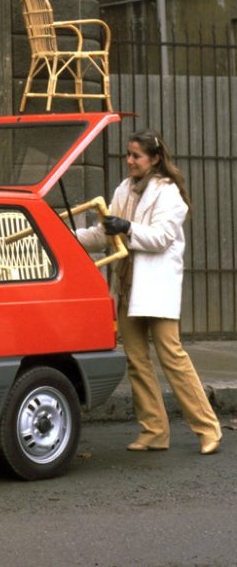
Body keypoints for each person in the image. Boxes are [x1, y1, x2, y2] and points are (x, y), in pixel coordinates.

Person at [77, 129, 221, 455]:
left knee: (173, 358)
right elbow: (102, 234)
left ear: (154, 159)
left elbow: (161, 238)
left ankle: (208, 428)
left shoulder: (169, 193)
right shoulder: (124, 189)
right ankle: (154, 431)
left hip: (156, 288)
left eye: (136, 155)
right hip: (128, 287)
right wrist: (67, 236)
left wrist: (126, 228)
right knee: (137, 362)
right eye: (128, 154)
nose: (129, 160)